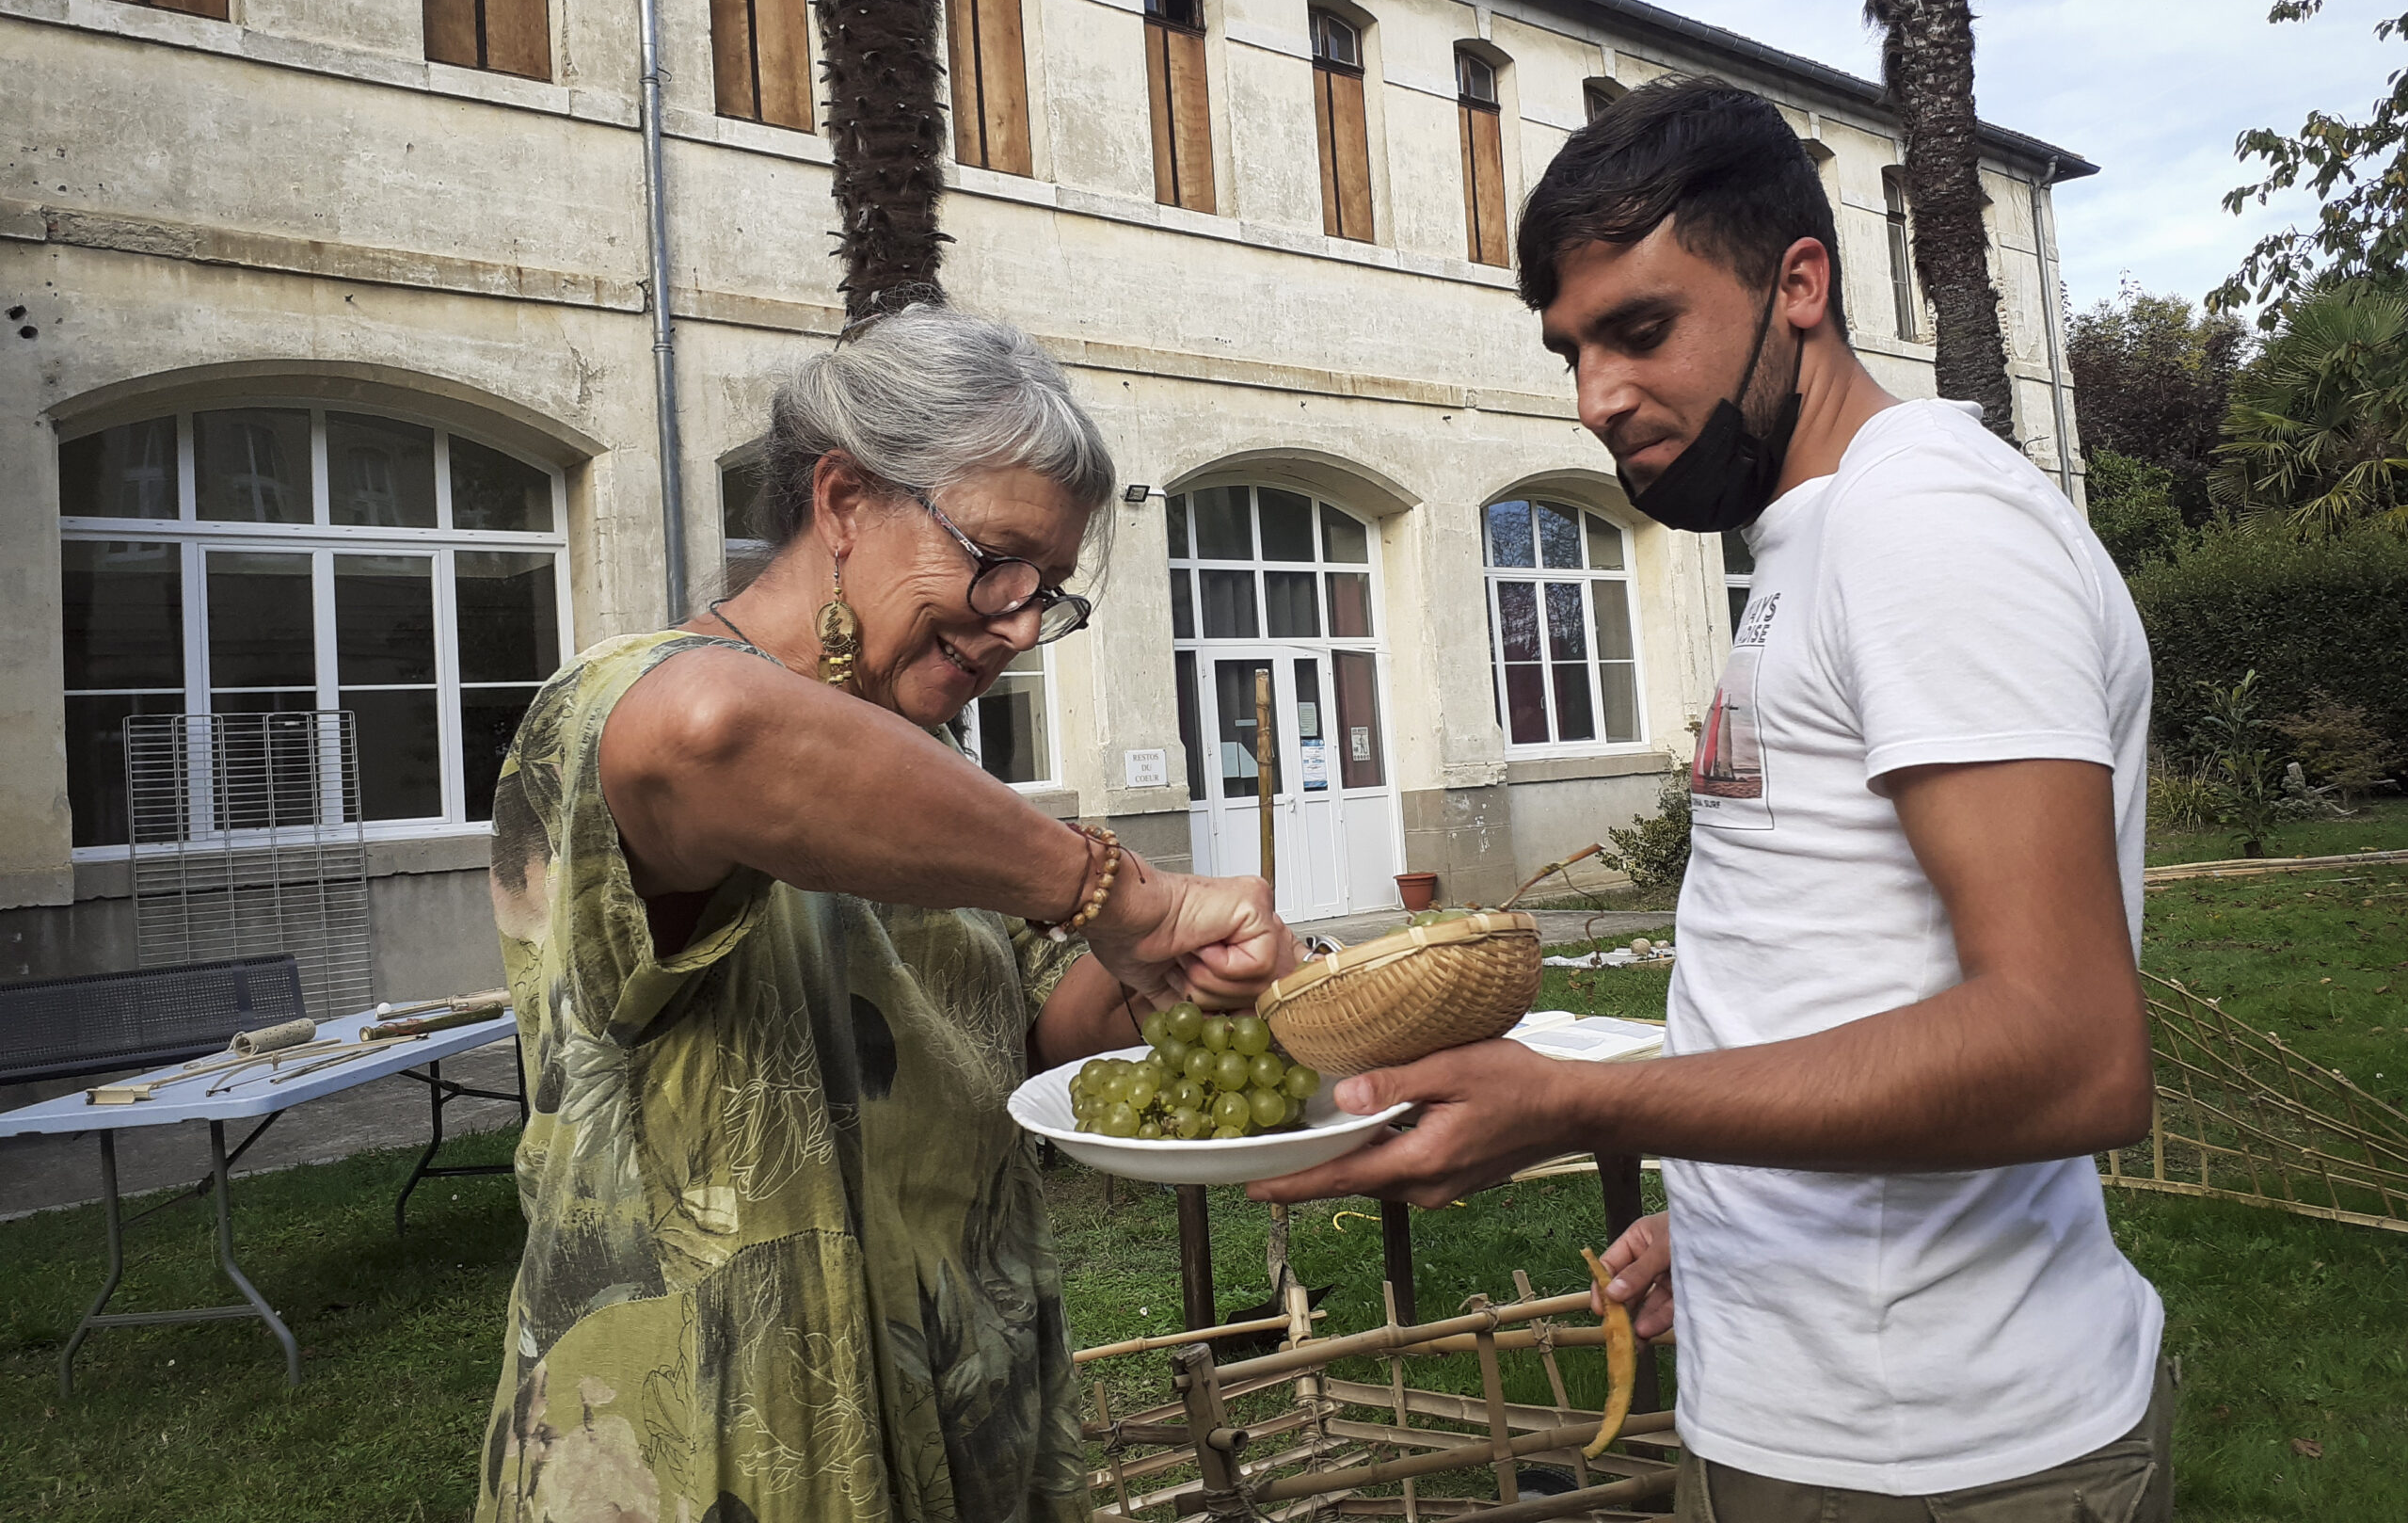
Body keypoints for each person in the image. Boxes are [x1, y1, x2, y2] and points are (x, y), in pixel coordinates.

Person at [1255, 78, 2171, 1521]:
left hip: (1943, 1460)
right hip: (1805, 1409)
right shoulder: (1816, 534)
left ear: (1796, 283)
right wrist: (1743, 1224)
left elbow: (2068, 1051)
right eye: (1571, 350)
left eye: (1641, 328)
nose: (1596, 397)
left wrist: (1573, 1104)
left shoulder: (1926, 527)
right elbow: (1841, 969)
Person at [477, 310, 1297, 1523]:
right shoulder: (614, 702)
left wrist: (1160, 971)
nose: (1021, 624)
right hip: (719, 1440)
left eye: (1051, 594)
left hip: (965, 1389)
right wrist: (1118, 894)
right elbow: (717, 734)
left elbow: (1019, 1039)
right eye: (1000, 561)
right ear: (846, 498)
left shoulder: (933, 767)